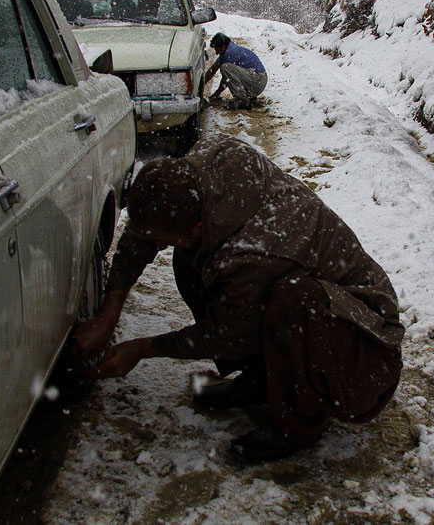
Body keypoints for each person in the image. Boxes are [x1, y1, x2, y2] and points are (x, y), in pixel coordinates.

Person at [76, 135, 403, 462]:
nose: (155, 246)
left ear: (196, 227)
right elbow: (144, 231)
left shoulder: (251, 255)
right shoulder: (201, 164)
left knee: (291, 303)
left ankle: (294, 427)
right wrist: (108, 316)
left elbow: (224, 335)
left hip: (364, 351)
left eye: (164, 241)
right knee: (191, 261)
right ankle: (265, 380)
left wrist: (141, 349)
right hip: (324, 308)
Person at [204, 32, 268, 109]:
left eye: (217, 50)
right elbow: (213, 69)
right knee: (226, 68)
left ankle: (242, 100)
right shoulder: (227, 50)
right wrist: (201, 84)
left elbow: (226, 79)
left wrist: (216, 94)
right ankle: (246, 96)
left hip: (257, 80)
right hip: (256, 80)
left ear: (223, 46)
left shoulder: (231, 52)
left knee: (225, 67)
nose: (217, 53)